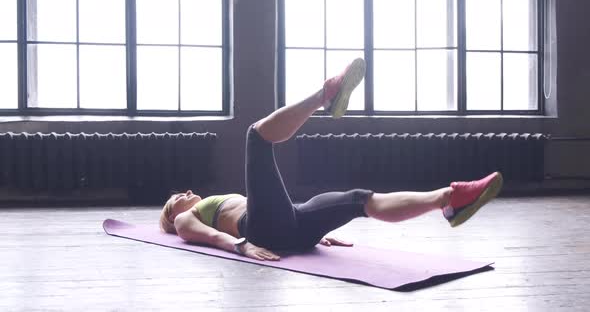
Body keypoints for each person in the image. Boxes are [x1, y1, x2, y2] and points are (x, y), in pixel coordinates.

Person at [159, 58, 503, 261]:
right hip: (262, 231)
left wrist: (315, 230)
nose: (182, 194)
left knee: (358, 200)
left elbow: (270, 205)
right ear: (171, 215)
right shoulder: (185, 220)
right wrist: (242, 246)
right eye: (174, 200)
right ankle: (326, 96)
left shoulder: (206, 206)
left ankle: (447, 200)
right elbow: (206, 236)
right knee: (256, 137)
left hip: (289, 225)